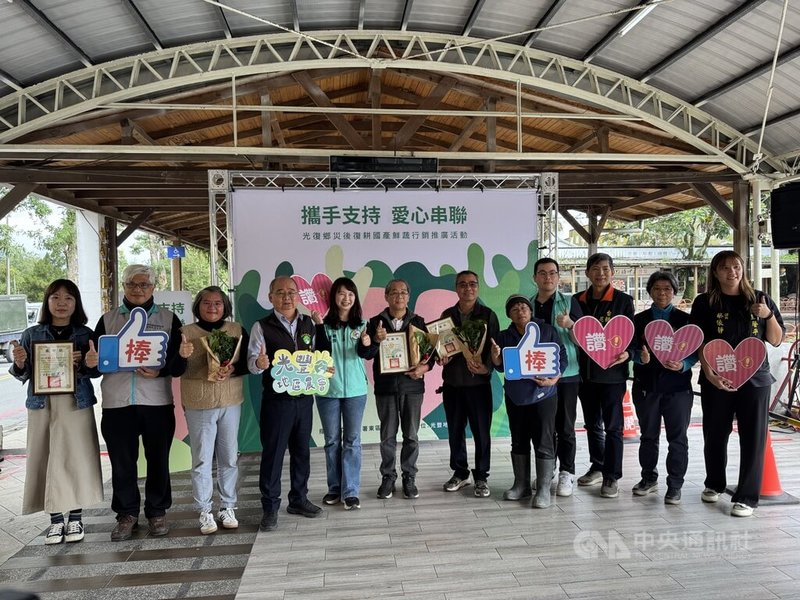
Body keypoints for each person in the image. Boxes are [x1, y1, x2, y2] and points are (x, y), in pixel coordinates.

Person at [93, 264, 192, 541]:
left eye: (144, 285)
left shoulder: (169, 319)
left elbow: (177, 365)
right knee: (122, 462)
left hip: (157, 402)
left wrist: (162, 369)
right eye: (132, 284)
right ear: (124, 287)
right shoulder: (108, 320)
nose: (138, 290)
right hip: (117, 402)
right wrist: (91, 363)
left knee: (158, 460)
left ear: (153, 288)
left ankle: (157, 512)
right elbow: (95, 363)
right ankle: (126, 515)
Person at [690, 250, 784, 517]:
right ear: (715, 272)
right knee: (715, 433)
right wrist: (708, 373)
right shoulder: (705, 302)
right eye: (725, 267)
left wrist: (767, 316)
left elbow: (776, 340)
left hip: (755, 381)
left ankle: (746, 497)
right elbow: (699, 341)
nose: (732, 271)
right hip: (716, 379)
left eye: (736, 266)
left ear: (743, 269)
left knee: (754, 437)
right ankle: (714, 483)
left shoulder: (759, 299)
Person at [10, 279, 104, 544]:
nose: (62, 303)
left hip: (76, 404)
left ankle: (75, 518)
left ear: (76, 303)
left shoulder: (85, 334)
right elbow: (23, 374)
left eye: (68, 298)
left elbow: (95, 372)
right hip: (42, 405)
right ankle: (54, 520)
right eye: (55, 297)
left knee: (76, 459)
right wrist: (20, 363)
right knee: (46, 458)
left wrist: (88, 363)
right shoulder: (32, 335)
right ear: (47, 302)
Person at [248, 275, 322, 532]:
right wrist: (259, 364)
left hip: (304, 400)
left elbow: (316, 357)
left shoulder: (309, 324)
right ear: (271, 297)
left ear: (298, 295)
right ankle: (270, 508)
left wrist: (323, 370)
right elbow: (251, 363)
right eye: (280, 292)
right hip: (277, 402)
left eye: (291, 291)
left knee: (302, 452)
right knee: (273, 455)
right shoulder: (262, 326)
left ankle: (298, 500)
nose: (287, 296)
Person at [180, 286, 249, 534]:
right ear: (198, 305)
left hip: (230, 401)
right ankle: (205, 511)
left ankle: (228, 506)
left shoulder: (236, 330)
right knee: (201, 459)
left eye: (218, 303)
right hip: (199, 403)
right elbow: (175, 369)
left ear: (225, 307)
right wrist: (181, 354)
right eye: (207, 303)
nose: (212, 307)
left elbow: (247, 364)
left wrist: (233, 369)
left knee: (229, 457)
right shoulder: (185, 333)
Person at [490, 295, 566, 508]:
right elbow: (501, 367)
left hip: (544, 396)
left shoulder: (548, 331)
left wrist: (553, 379)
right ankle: (521, 485)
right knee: (518, 440)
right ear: (509, 315)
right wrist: (496, 357)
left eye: (524, 307)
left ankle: (542, 489)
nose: (520, 311)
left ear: (531, 311)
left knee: (543, 441)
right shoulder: (504, 336)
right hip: (516, 397)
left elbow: (562, 359)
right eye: (514, 309)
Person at [572, 253, 634, 499]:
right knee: (592, 425)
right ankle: (598, 465)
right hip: (585, 375)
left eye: (606, 269)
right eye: (595, 269)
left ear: (612, 272)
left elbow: (633, 334)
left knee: (614, 427)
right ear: (587, 273)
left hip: (613, 375)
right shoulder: (577, 301)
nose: (601, 273)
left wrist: (628, 353)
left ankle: (612, 476)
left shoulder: (623, 301)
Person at [631, 271, 696, 505]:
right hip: (646, 387)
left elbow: (697, 352)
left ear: (674, 292)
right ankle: (648, 478)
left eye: (667, 289)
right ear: (650, 291)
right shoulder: (639, 320)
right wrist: (640, 358)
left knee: (677, 437)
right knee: (648, 436)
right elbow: (629, 350)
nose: (662, 293)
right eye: (657, 289)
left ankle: (675, 485)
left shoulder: (685, 320)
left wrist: (684, 364)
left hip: (678, 389)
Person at [365, 279, 433, 500]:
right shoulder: (375, 323)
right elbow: (365, 353)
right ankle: (388, 477)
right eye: (394, 292)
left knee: (411, 435)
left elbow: (430, 356)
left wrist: (424, 367)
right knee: (387, 436)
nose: (399, 296)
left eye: (404, 292)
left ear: (408, 297)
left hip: (412, 387)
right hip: (385, 388)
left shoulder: (419, 322)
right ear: (386, 296)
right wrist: (375, 340)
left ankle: (409, 477)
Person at [311, 277, 372, 511]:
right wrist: (318, 325)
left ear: (355, 298)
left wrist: (368, 342)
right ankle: (334, 488)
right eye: (341, 293)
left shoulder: (362, 324)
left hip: (356, 391)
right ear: (333, 297)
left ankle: (351, 492)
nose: (346, 298)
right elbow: (321, 352)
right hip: (327, 390)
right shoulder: (322, 325)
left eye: (350, 294)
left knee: (353, 441)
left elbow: (366, 354)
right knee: (332, 441)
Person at [438, 271, 499, 498]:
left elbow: (495, 349)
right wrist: (439, 356)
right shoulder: (447, 315)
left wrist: (487, 368)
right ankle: (461, 473)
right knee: (455, 431)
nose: (468, 288)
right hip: (452, 383)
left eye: (472, 284)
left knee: (481, 433)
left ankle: (481, 477)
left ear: (478, 287)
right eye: (463, 284)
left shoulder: (487, 315)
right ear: (456, 288)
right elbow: (440, 346)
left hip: (479, 385)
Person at [531, 258, 583, 497]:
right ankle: (547, 467)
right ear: (535, 278)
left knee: (566, 426)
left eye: (552, 273)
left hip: (567, 373)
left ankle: (567, 472)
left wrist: (571, 324)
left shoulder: (570, 302)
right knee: (544, 425)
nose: (548, 277)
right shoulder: (528, 305)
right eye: (542, 273)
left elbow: (584, 340)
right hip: (538, 373)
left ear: (558, 277)